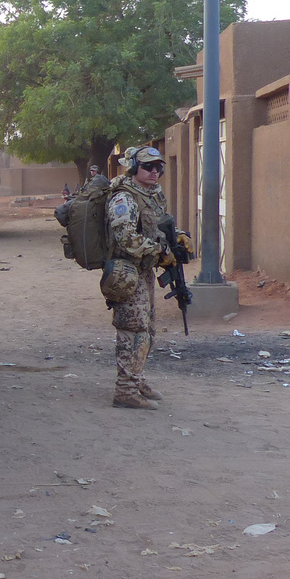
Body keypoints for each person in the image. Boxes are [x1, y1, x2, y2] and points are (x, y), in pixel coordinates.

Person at [101, 146, 177, 410]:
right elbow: (125, 238)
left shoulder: (152, 195)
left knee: (148, 330)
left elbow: (158, 227)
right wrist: (159, 251)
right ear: (134, 168)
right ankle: (125, 390)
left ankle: (136, 378)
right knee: (132, 331)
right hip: (125, 272)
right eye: (148, 167)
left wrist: (176, 240)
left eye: (158, 167)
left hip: (143, 270)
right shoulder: (124, 199)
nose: (154, 171)